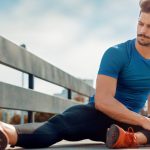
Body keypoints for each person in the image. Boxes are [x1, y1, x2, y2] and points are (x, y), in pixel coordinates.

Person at [0, 0, 150, 149]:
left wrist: (144, 121)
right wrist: (143, 120)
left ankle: (129, 138)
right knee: (59, 126)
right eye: (140, 24)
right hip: (98, 116)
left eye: (149, 26)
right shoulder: (117, 53)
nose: (143, 31)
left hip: (127, 126)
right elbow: (103, 101)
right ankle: (8, 132)